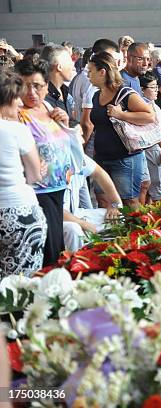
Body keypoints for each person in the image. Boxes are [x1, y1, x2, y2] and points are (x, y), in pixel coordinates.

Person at [15, 58, 73, 266]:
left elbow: (65, 140)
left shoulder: (48, 106)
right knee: (49, 245)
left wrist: (64, 122)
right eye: (24, 86)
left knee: (56, 243)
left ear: (46, 86)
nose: (31, 92)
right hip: (37, 189)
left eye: (37, 86)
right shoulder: (16, 114)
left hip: (58, 186)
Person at [88, 51, 155, 209]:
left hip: (125, 158)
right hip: (101, 157)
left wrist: (121, 114)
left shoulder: (124, 93)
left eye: (91, 71)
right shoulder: (96, 96)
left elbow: (149, 116)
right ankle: (111, 233)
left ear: (102, 72)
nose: (88, 75)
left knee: (130, 201)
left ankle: (136, 232)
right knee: (103, 200)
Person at [0, 69, 46, 276]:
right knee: (21, 289)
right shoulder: (16, 130)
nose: (20, 103)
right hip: (17, 213)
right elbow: (35, 175)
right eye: (16, 97)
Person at [139, 72, 161, 202]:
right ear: (142, 89)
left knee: (152, 187)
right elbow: (155, 129)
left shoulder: (152, 103)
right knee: (158, 189)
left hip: (155, 147)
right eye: (152, 87)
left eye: (157, 86)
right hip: (154, 148)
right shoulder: (145, 105)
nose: (156, 90)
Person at [40, 44, 77, 126]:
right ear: (59, 67)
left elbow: (69, 121)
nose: (73, 65)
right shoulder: (42, 97)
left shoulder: (65, 91)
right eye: (70, 61)